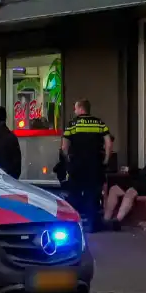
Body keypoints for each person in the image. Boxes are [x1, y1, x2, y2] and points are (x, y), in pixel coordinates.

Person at [61, 99, 113, 230]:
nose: (74, 110)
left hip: (77, 165)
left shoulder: (72, 125)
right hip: (94, 164)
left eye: (75, 108)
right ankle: (93, 224)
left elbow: (64, 147)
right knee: (93, 193)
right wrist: (106, 159)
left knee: (75, 194)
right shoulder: (99, 123)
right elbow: (109, 143)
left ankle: (74, 224)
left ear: (80, 109)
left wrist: (68, 160)